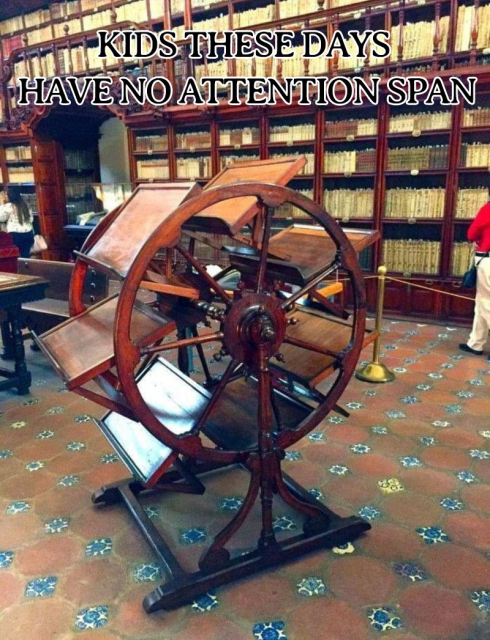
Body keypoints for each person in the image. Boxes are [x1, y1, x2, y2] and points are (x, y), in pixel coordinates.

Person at [460, 200, 490, 361]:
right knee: (481, 301)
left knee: (486, 302)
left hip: (488, 260)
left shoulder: (488, 208)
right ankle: (475, 343)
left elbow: (472, 233)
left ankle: (476, 343)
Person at [0, 188, 34, 258]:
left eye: (6, 194)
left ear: (10, 196)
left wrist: (2, 204)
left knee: (16, 257)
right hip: (28, 233)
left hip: (15, 235)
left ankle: (19, 269)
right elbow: (31, 219)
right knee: (26, 256)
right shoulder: (26, 205)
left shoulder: (8, 206)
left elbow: (1, 218)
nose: (5, 196)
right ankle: (26, 268)